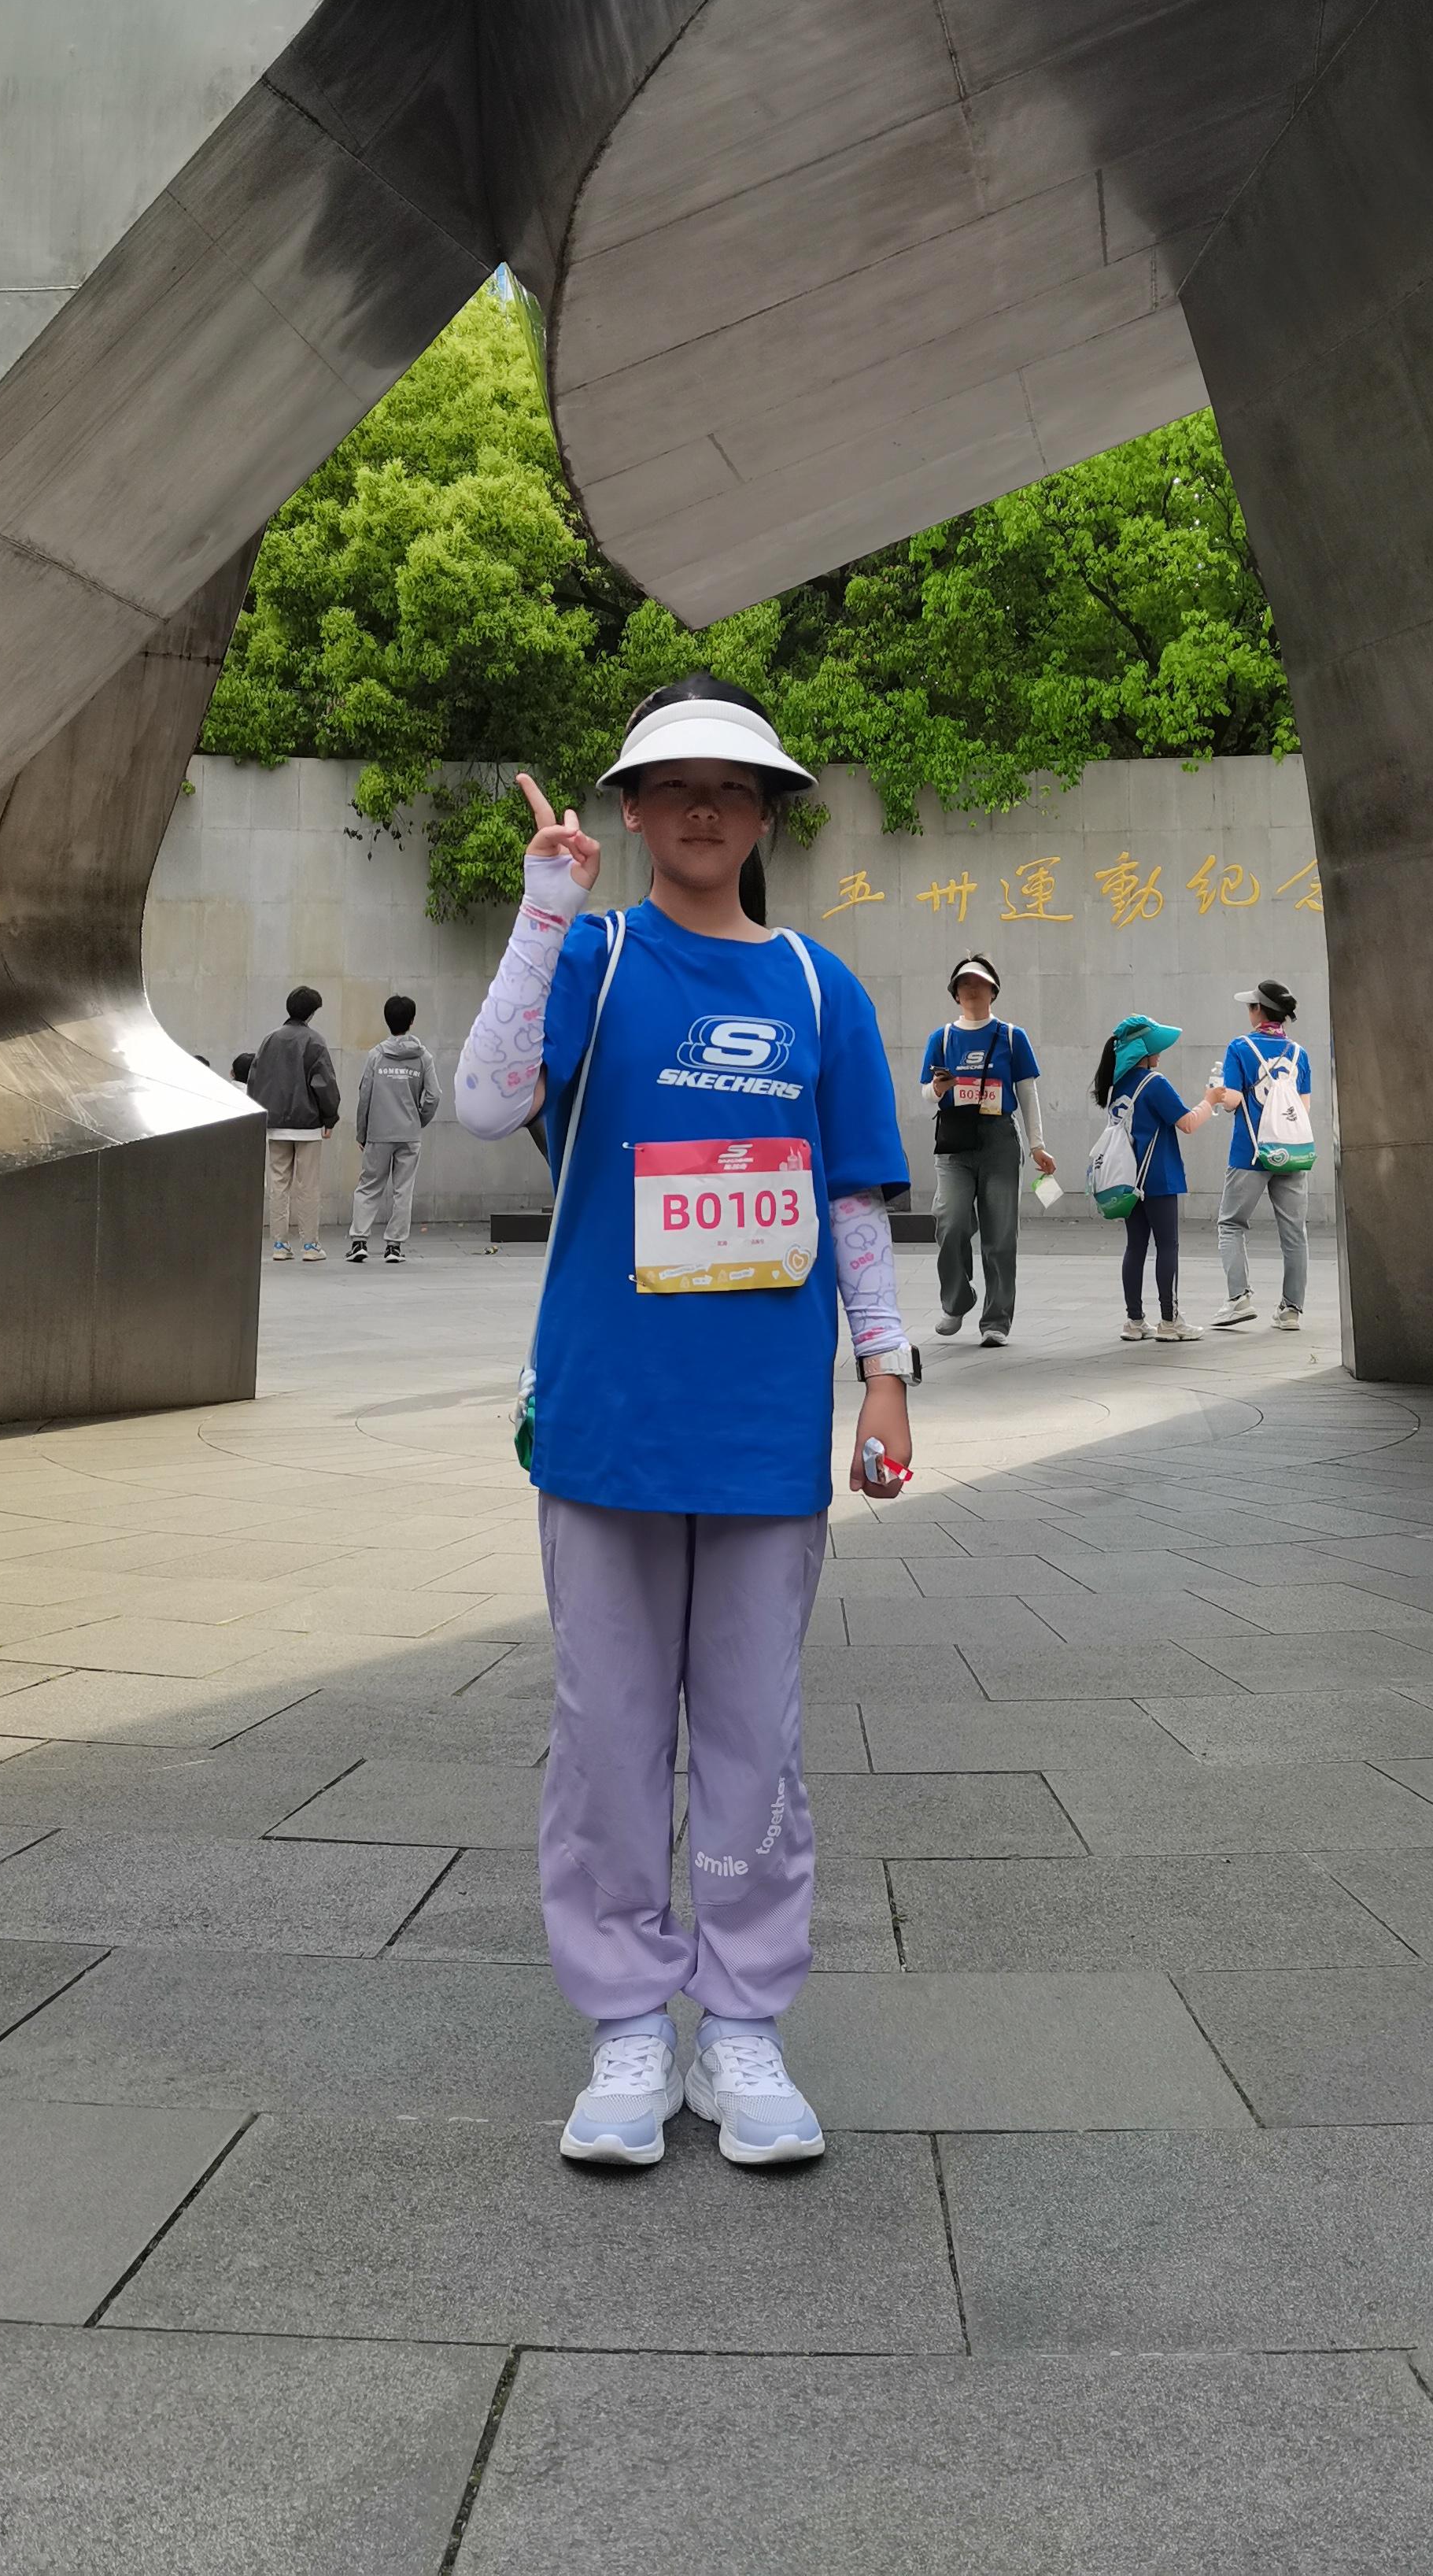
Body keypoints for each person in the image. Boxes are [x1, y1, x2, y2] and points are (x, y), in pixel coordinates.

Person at [452, 674, 914, 2176]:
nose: (703, 807)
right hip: (610, 1414)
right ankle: (626, 2024)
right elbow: (486, 1099)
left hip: (764, 1425)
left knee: (752, 1734)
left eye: (732, 785)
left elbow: (852, 1197)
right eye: (673, 784)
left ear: (767, 812)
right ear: (636, 810)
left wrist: (887, 1367)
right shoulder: (591, 958)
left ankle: (744, 2022)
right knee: (605, 1729)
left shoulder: (819, 989)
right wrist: (542, 907)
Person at [918, 954, 1052, 1349]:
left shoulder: (1012, 1036)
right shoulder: (942, 1038)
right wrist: (938, 1088)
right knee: (950, 1221)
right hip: (954, 1141)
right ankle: (957, 1300)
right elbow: (926, 1093)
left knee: (1001, 1235)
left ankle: (996, 1320)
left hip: (999, 1139)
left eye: (979, 982)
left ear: (993, 990)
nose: (971, 989)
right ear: (955, 993)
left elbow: (1027, 1093)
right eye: (964, 983)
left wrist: (1037, 1145)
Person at [1092, 1014, 1217, 1343]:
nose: (1160, 1054)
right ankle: (1170, 1320)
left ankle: (1134, 1321)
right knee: (1167, 1245)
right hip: (1159, 1178)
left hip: (1127, 1180)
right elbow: (1187, 1123)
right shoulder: (1154, 1083)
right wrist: (1211, 1101)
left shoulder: (1118, 1087)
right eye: (1156, 1048)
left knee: (1135, 1246)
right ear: (1143, 1052)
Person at [1211, 978, 1316, 1333]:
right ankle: (1291, 1310)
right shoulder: (1300, 1054)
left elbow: (1232, 1102)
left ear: (1259, 1011)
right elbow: (1303, 1108)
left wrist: (1216, 1092)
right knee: (1295, 1233)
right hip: (1292, 1152)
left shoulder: (1240, 1047)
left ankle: (1238, 1299)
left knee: (1231, 1224)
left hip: (1250, 1153)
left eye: (1250, 1006)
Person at [348, 992, 442, 1264]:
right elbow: (434, 1096)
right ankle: (394, 1247)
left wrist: (362, 1131)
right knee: (403, 1189)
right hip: (409, 1134)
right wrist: (419, 1120)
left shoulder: (376, 1056)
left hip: (379, 1132)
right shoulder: (424, 1058)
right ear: (412, 1021)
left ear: (387, 1020)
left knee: (369, 1185)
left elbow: (365, 1094)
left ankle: (359, 1241)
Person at [247, 985, 338, 1262]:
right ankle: (310, 1245)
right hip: (308, 1124)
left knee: (278, 1184)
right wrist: (329, 1117)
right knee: (308, 1185)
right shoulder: (315, 1042)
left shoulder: (270, 1040)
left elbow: (255, 1080)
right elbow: (325, 1083)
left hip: (275, 1124)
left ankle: (279, 1244)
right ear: (311, 1013)